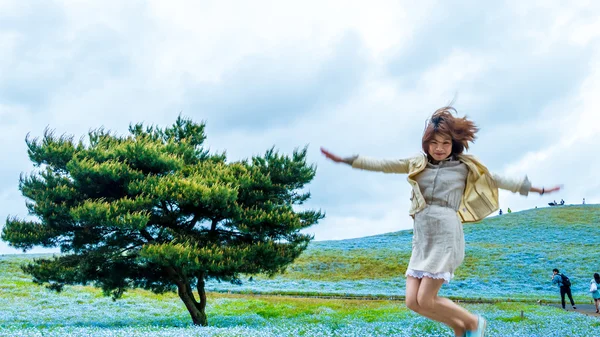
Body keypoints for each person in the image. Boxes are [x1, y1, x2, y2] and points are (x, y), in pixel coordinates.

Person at [321, 106, 561, 337]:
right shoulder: (418, 163)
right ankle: (459, 327)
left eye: (445, 143)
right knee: (412, 302)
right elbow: (384, 165)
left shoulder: (464, 167)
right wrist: (347, 160)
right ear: (426, 143)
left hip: (446, 234)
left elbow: (498, 179)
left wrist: (539, 190)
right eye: (434, 143)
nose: (439, 148)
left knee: (426, 299)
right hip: (422, 237)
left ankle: (473, 322)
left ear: (453, 144)